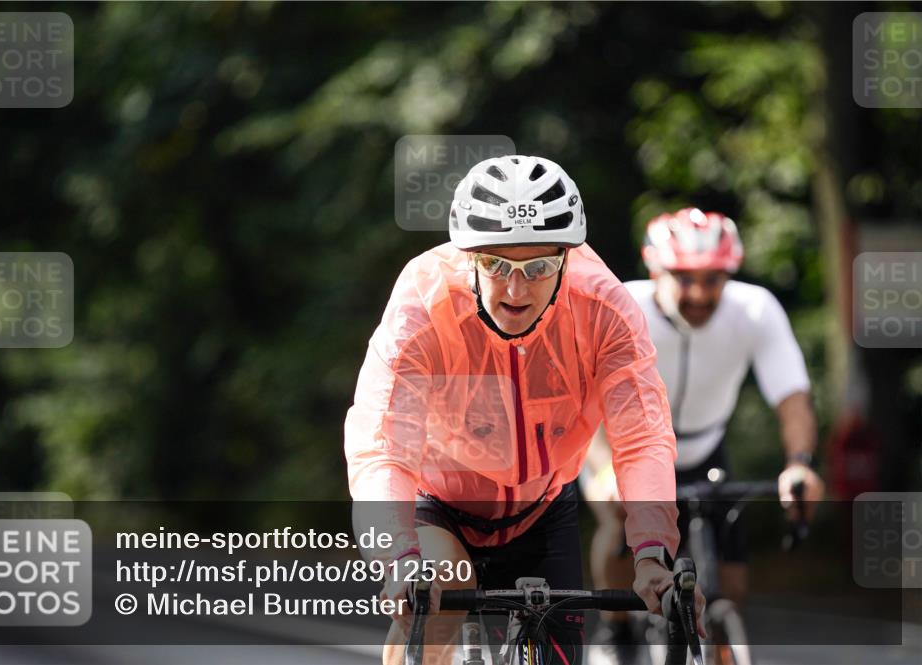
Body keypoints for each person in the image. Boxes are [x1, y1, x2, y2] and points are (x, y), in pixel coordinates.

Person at [345, 156, 704, 665]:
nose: (517, 290)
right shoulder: (423, 307)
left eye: (538, 267)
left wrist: (651, 552)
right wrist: (398, 556)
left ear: (565, 257)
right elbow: (381, 448)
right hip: (439, 503)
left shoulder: (604, 308)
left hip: (541, 508)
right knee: (439, 596)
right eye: (495, 264)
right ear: (467, 256)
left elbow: (641, 437)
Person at [580, 207, 825, 665]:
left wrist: (800, 463)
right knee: (619, 523)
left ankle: (718, 636)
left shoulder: (754, 309)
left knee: (731, 585)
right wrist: (604, 469)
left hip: (706, 447)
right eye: (684, 278)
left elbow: (793, 396)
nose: (699, 292)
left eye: (713, 279)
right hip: (625, 450)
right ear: (655, 271)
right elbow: (586, 402)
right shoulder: (621, 306)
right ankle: (616, 632)